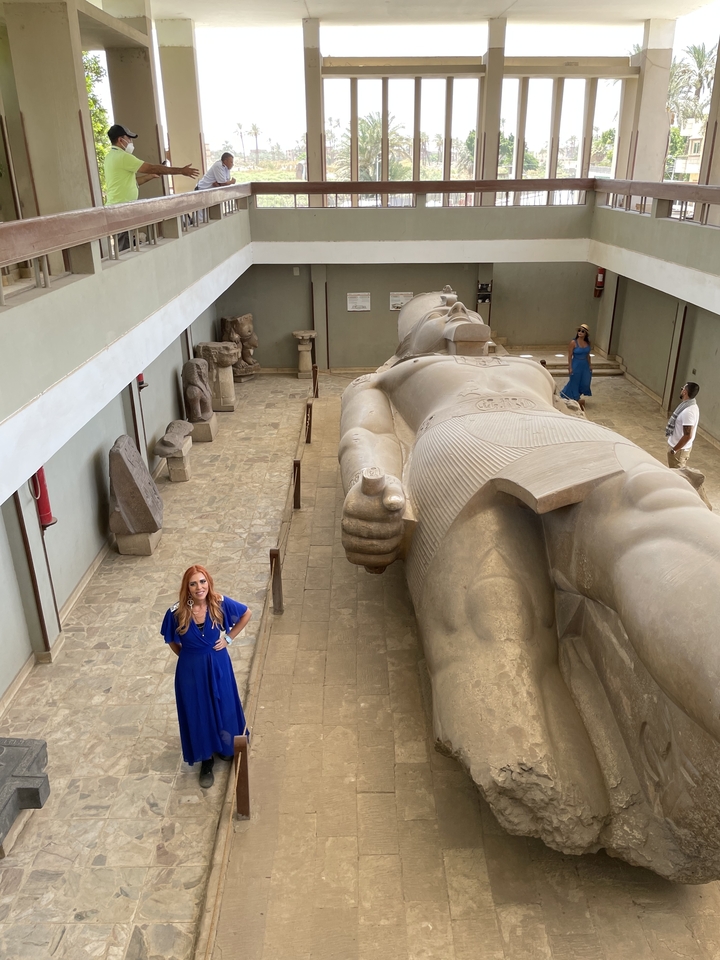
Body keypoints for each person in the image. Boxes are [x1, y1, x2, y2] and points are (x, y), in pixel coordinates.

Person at [337, 293, 720, 879]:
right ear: (407, 340)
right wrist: (376, 494)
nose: (455, 303)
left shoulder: (530, 366)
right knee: (500, 632)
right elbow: (366, 437)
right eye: (438, 307)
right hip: (461, 448)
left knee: (663, 521)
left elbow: (571, 412)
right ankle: (584, 801)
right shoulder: (389, 376)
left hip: (570, 440)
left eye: (456, 299)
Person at [161, 564, 251, 788]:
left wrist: (228, 638)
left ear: (208, 582)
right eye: (193, 583)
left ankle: (226, 747)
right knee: (198, 710)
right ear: (187, 587)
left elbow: (246, 613)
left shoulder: (218, 603)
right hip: (190, 671)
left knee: (224, 704)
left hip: (218, 663)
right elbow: (171, 639)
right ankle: (206, 760)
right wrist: (188, 656)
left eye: (202, 581)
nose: (199, 587)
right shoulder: (176, 612)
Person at [104, 124, 199, 249]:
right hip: (120, 209)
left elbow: (131, 183)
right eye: (129, 139)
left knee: (126, 246)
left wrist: (149, 176)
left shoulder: (110, 156)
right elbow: (151, 167)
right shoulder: (123, 156)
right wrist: (181, 171)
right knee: (124, 249)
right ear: (121, 140)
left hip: (118, 208)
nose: (131, 142)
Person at [666, 381, 700, 468]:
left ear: (685, 392)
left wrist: (674, 450)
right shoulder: (689, 405)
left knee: (677, 476)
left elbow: (687, 435)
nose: (681, 391)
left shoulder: (688, 412)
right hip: (677, 448)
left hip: (679, 451)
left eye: (682, 389)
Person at [560, 322, 592, 411]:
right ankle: (575, 397)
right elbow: (570, 355)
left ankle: (571, 394)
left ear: (586, 334)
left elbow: (588, 355)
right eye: (579, 330)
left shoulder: (588, 343)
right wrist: (570, 367)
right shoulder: (573, 342)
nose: (580, 332)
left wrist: (590, 365)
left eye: (582, 331)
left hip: (585, 364)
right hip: (576, 364)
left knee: (585, 382)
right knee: (574, 381)